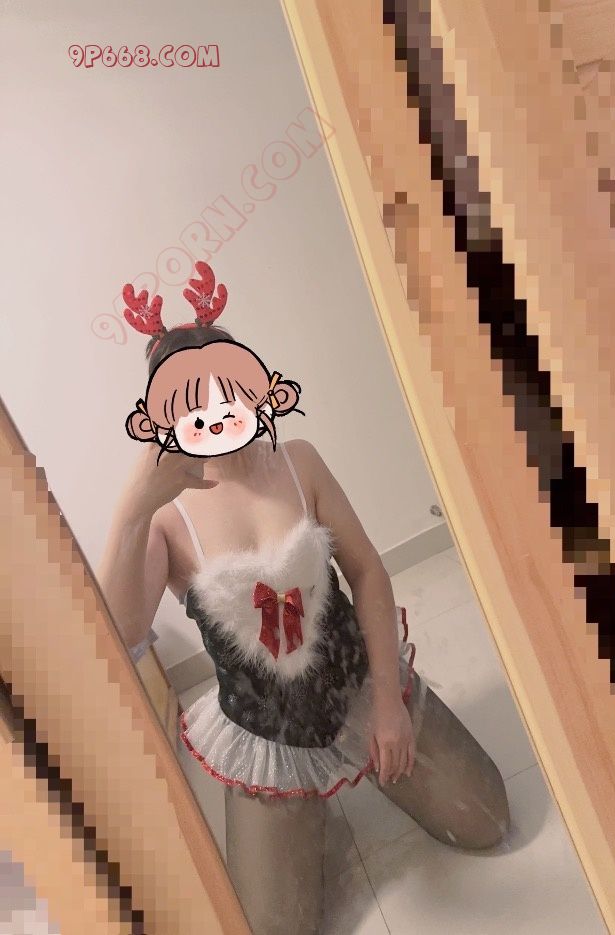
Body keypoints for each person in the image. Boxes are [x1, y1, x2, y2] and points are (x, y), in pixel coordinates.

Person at [98, 263, 511, 935]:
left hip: (355, 682)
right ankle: (304, 808)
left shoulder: (300, 461)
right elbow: (122, 633)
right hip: (266, 729)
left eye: (227, 392)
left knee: (486, 821)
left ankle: (373, 748)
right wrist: (132, 509)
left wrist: (388, 705)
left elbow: (368, 572)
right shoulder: (166, 522)